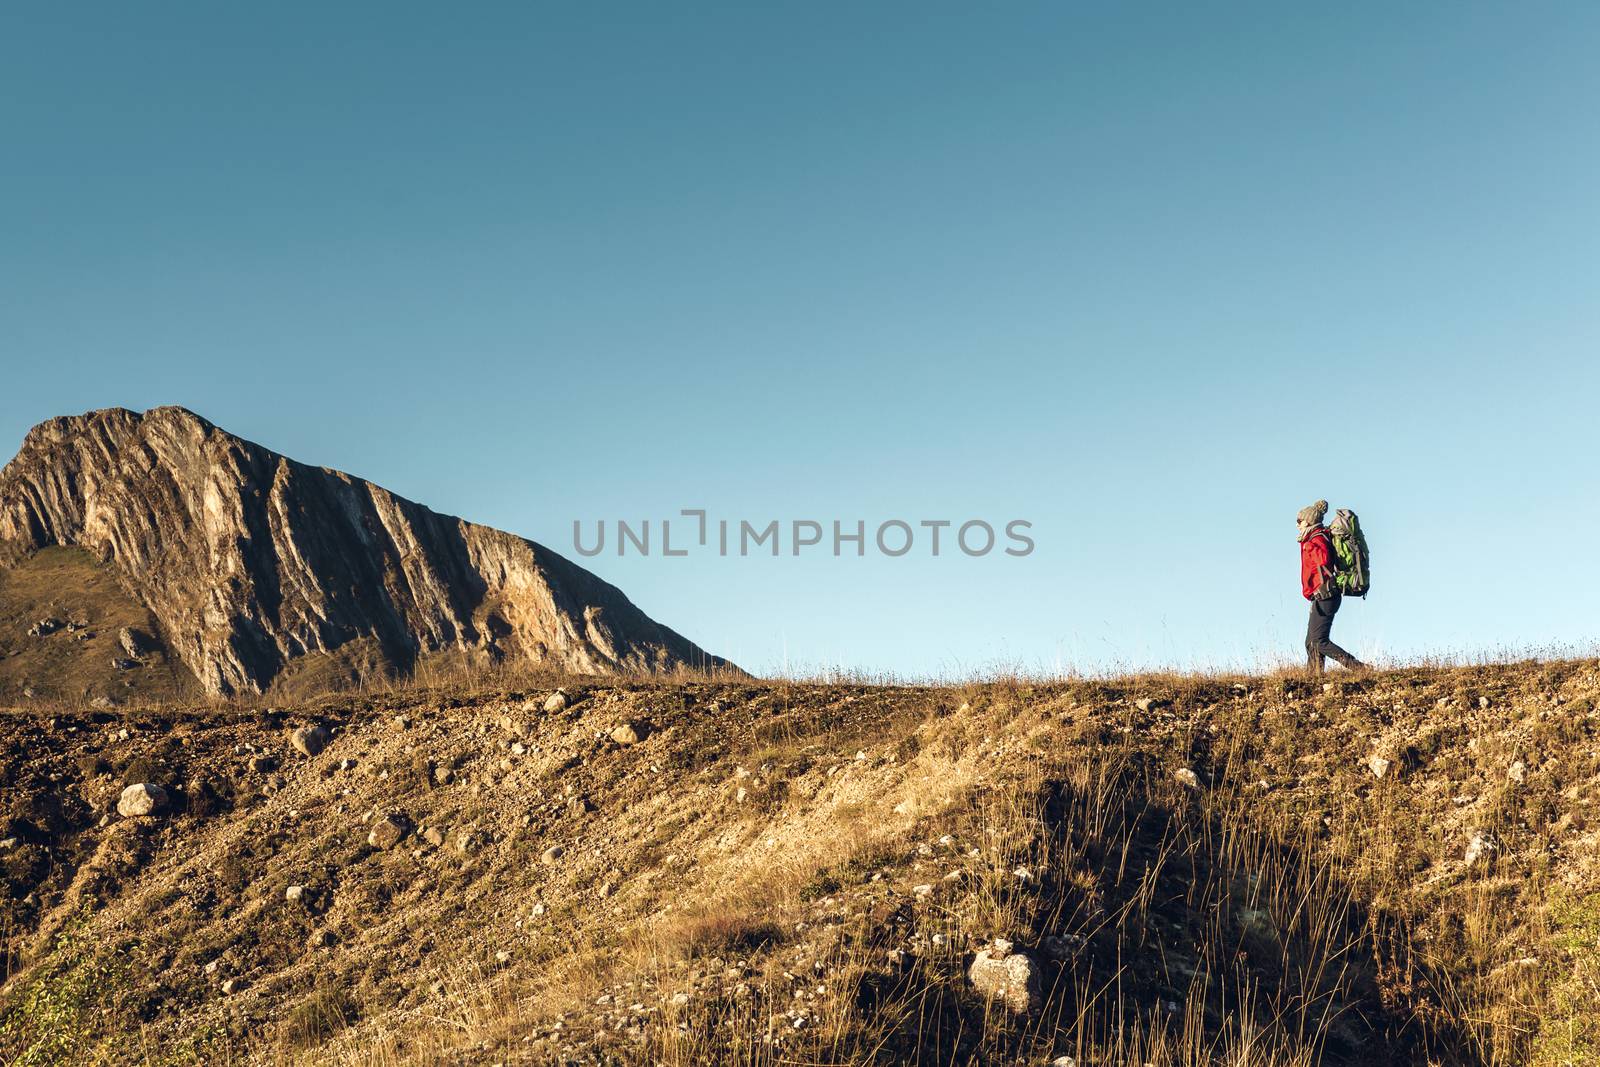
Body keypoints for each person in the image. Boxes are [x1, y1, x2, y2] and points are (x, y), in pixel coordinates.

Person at [1298, 499, 1365, 674]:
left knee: (1319, 640)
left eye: (1300, 521)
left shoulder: (1317, 538)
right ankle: (1314, 676)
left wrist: (1309, 547)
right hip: (1320, 594)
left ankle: (1359, 668)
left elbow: (1324, 559)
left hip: (1326, 593)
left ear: (1309, 521)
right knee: (1311, 642)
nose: (1297, 524)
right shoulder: (1313, 537)